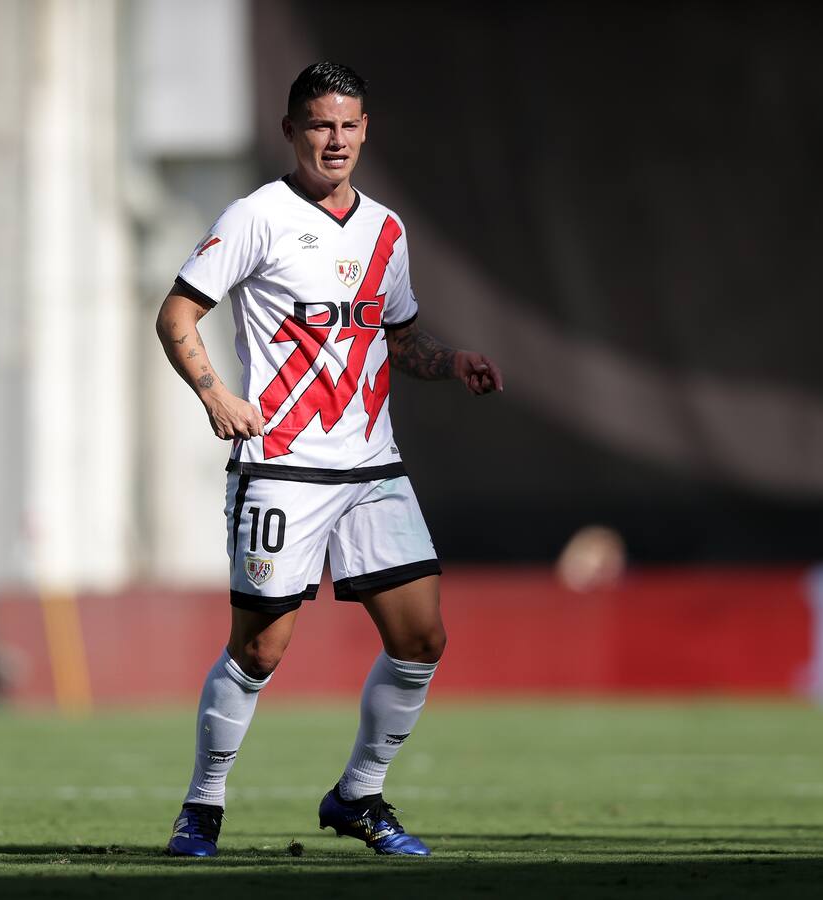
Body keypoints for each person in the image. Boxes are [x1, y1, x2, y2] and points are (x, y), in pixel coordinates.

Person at [155, 61, 503, 858]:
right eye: (320, 124)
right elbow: (177, 315)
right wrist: (215, 395)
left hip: (373, 467)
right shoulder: (256, 216)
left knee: (422, 639)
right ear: (291, 132)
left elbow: (400, 337)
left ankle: (358, 796)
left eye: (348, 125)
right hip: (281, 465)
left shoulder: (387, 229)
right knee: (260, 648)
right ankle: (202, 807)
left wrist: (451, 363)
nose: (335, 139)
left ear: (366, 131)